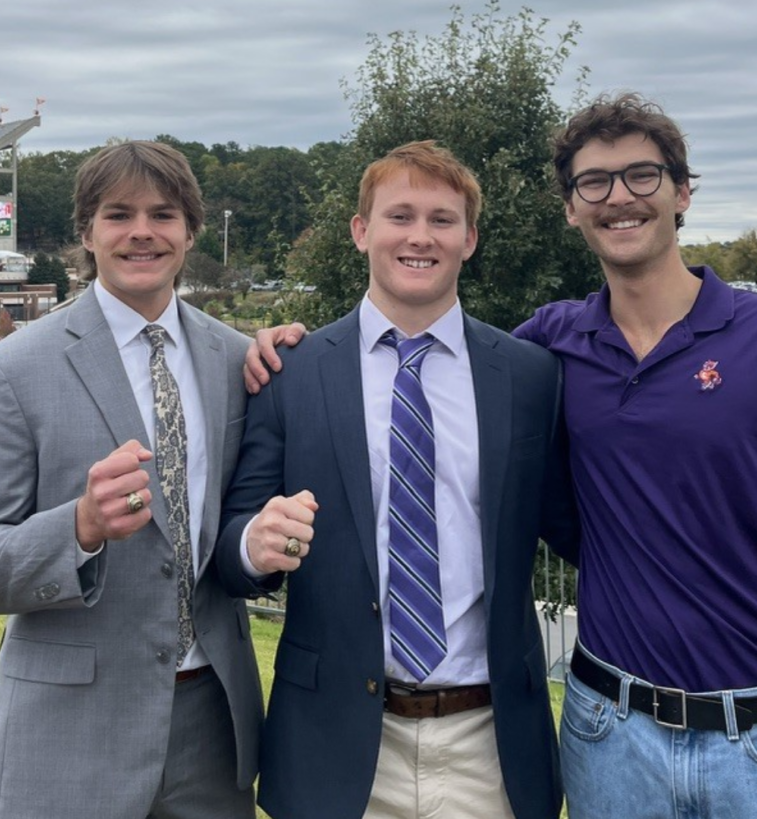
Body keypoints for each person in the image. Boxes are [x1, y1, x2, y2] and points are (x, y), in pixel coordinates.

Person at [246, 95, 757, 819]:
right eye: (595, 181)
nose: (619, 196)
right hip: (609, 732)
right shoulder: (549, 350)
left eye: (643, 176)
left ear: (684, 192)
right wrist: (283, 345)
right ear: (571, 207)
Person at [217, 141, 578, 819]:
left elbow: (578, 527)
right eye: (399, 215)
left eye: (442, 219)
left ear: (469, 238)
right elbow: (231, 547)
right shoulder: (290, 373)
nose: (420, 236)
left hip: (489, 744)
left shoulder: (530, 377)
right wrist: (252, 545)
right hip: (335, 745)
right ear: (361, 231)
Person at [0, 141, 269, 819]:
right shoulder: (11, 371)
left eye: (164, 213)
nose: (142, 231)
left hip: (212, 733)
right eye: (118, 214)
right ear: (86, 232)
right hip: (66, 734)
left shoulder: (240, 361)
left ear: (191, 230)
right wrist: (79, 527)